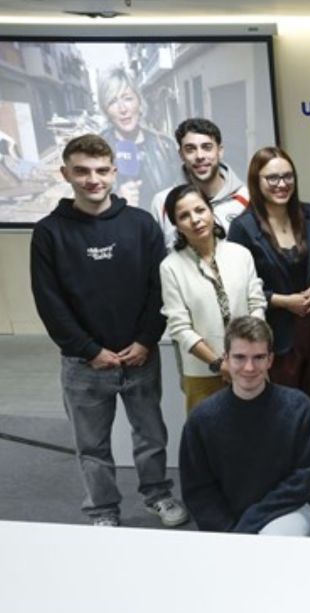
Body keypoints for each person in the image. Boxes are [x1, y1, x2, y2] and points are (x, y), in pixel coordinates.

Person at [30, 133, 187, 528]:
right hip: (84, 364)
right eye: (82, 171)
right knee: (92, 445)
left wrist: (144, 340)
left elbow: (159, 288)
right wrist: (88, 350)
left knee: (150, 435)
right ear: (65, 173)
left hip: (140, 356)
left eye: (101, 170)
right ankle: (103, 510)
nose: (93, 179)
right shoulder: (50, 232)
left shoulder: (141, 224)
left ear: (114, 172)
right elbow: (50, 302)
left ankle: (158, 495)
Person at [180, 316, 310, 535]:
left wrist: (249, 525)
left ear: (270, 360)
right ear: (225, 358)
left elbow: (304, 478)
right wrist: (230, 533)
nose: (249, 367)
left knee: (270, 555)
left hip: (286, 510)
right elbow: (198, 489)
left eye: (258, 357)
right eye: (239, 357)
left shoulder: (298, 408)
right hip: (228, 519)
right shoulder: (202, 419)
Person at [228, 146, 310, 408]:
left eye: (288, 176)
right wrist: (285, 301)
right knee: (284, 408)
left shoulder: (308, 214)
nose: (281, 184)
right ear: (256, 181)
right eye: (272, 178)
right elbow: (239, 286)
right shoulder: (243, 227)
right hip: (277, 332)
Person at [159, 184, 266, 412]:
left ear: (211, 211)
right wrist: (219, 364)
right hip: (202, 372)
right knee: (208, 440)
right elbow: (180, 328)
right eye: (184, 216)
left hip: (249, 365)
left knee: (256, 433)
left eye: (200, 210)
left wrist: (246, 356)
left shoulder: (240, 254)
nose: (195, 220)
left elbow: (257, 305)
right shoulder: (170, 267)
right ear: (176, 225)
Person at [149, 118, 251, 246]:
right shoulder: (162, 203)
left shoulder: (247, 199)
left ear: (220, 151)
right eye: (190, 149)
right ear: (181, 155)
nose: (200, 156)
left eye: (207, 147)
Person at [96, 67, 176, 211]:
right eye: (113, 102)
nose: (123, 109)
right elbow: (86, 210)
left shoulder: (166, 146)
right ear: (105, 110)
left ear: (139, 101)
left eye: (128, 98)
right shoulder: (94, 152)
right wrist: (114, 202)